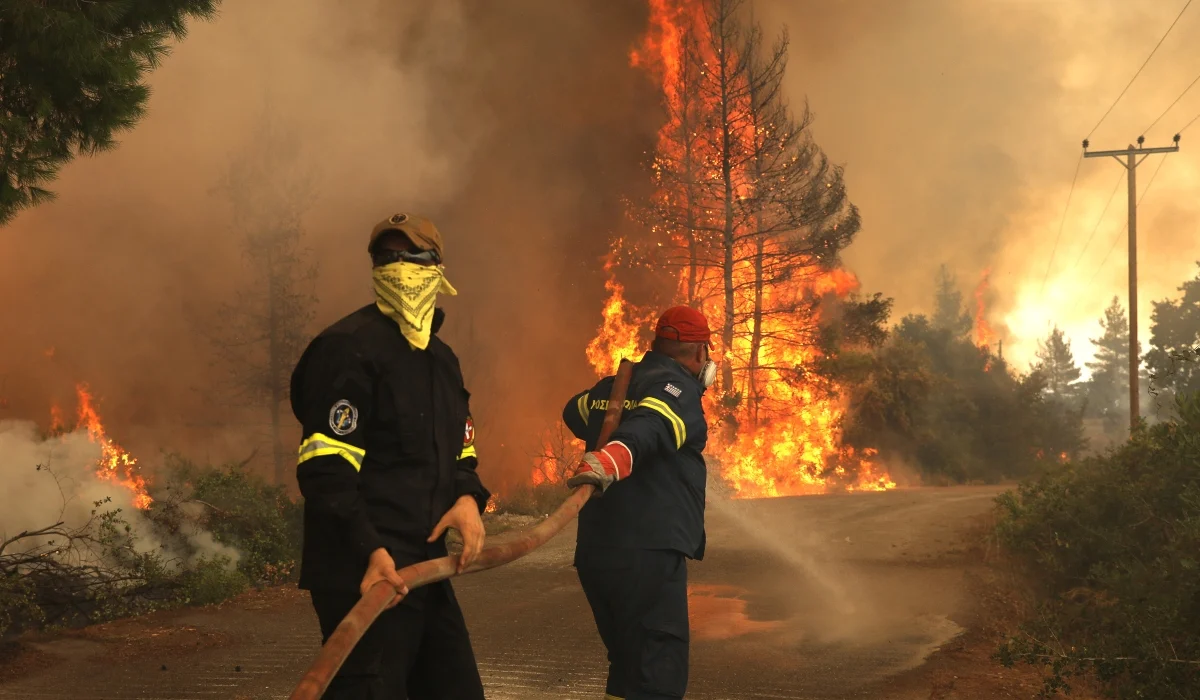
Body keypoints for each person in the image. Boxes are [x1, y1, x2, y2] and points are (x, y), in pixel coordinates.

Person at [290, 212, 491, 699]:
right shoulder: (348, 349)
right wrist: (370, 551)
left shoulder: (441, 361)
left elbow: (462, 450)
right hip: (362, 572)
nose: (399, 267)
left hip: (423, 568)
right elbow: (325, 469)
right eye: (386, 258)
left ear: (437, 267)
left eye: (412, 257)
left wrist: (467, 499)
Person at [561, 305, 717, 700]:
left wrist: (609, 428)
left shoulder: (612, 386)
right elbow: (651, 425)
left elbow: (574, 410)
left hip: (597, 555)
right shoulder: (678, 390)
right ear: (700, 353)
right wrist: (616, 457)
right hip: (646, 555)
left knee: (630, 668)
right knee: (658, 678)